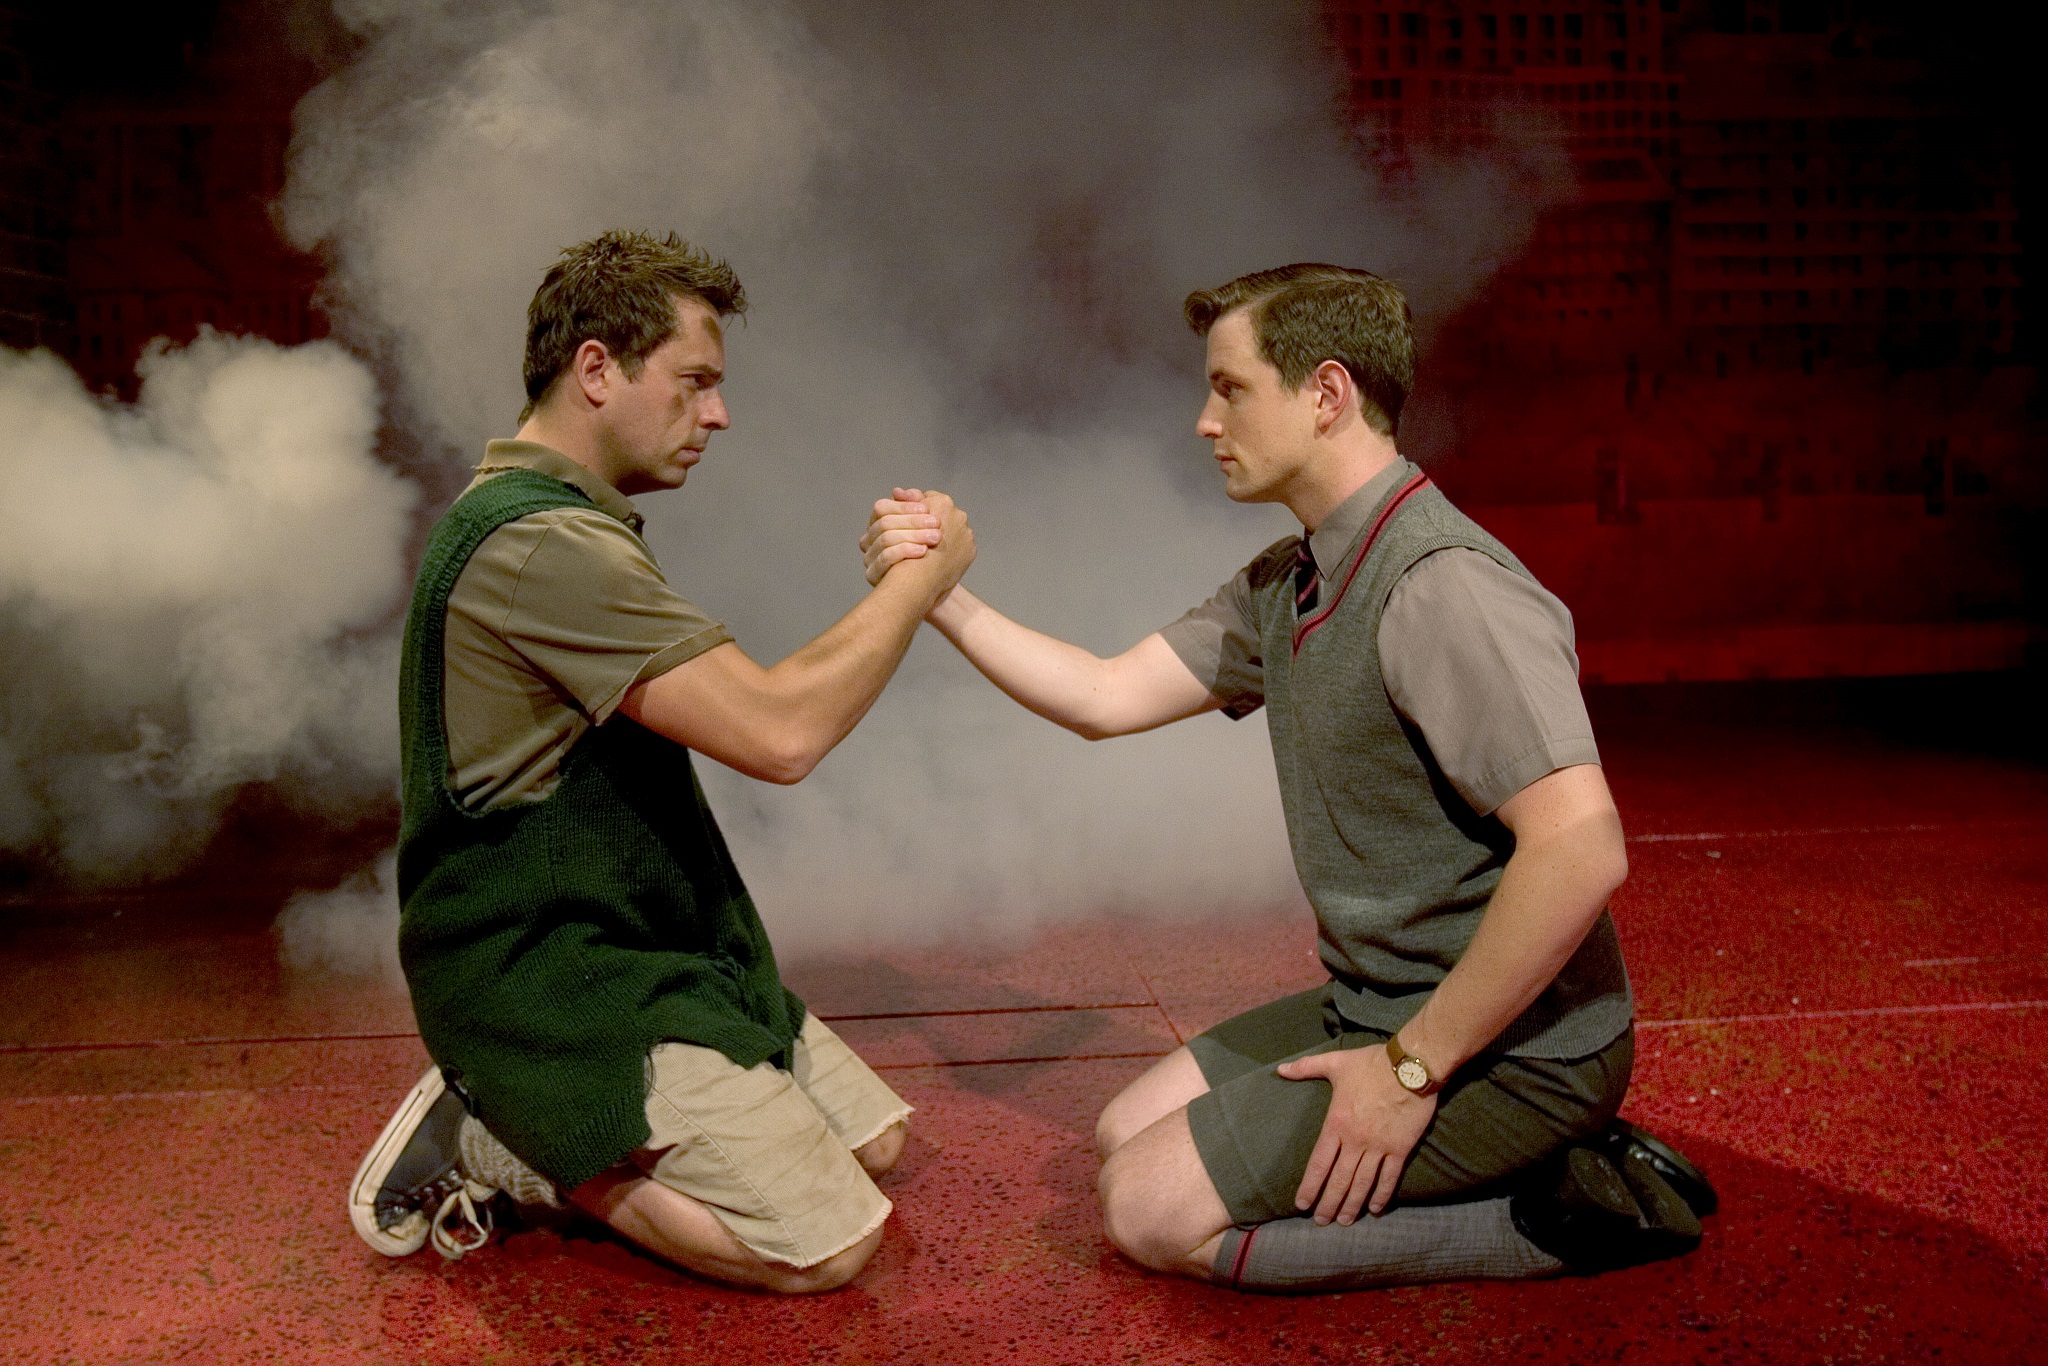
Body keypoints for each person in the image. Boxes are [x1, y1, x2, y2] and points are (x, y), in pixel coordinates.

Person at [861, 263, 1716, 1292]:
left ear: (1326, 393)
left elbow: (1581, 847)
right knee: (1122, 1131)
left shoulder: (1441, 584)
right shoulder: (1292, 578)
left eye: (1230, 389)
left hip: (1517, 1049)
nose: (1204, 421)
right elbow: (1101, 694)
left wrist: (1407, 1073)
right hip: (1379, 1003)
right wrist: (938, 597)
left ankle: (1562, 1217)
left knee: (1146, 1210)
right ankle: (1507, 1156)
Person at [348, 229, 974, 1294]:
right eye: (694, 381)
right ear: (596, 369)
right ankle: (497, 1133)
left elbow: (764, 708)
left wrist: (906, 588)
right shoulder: (539, 545)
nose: (717, 414)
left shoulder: (565, 524)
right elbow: (780, 734)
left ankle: (560, 1114)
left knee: (877, 1146)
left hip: (643, 947)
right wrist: (920, 580)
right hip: (549, 978)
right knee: (824, 1246)